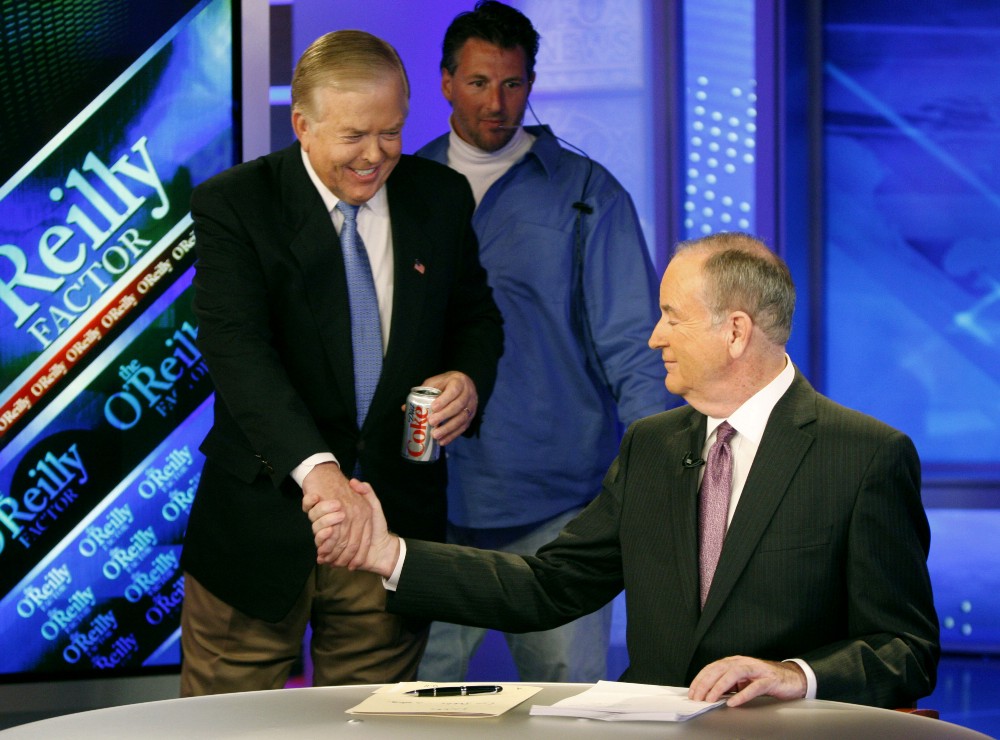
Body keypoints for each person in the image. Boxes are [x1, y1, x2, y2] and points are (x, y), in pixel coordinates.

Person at [308, 232, 940, 709]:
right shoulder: (651, 446)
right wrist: (389, 554)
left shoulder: (863, 456)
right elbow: (550, 585)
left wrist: (794, 676)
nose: (654, 338)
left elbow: (905, 651)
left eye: (672, 316)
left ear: (735, 332)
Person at [179, 30, 503, 696]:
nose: (375, 155)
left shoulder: (440, 197)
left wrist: (467, 380)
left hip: (392, 526)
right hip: (261, 524)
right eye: (354, 136)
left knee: (373, 722)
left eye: (391, 132)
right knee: (227, 726)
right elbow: (238, 354)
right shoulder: (235, 204)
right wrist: (318, 473)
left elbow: (476, 319)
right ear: (302, 125)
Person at [414, 1, 673, 683]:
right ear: (446, 82)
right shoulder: (400, 185)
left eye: (513, 84)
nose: (496, 103)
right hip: (430, 503)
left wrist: (658, 481)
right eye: (478, 83)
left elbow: (634, 346)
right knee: (410, 709)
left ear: (531, 83)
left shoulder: (587, 193)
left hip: (561, 505)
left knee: (568, 711)